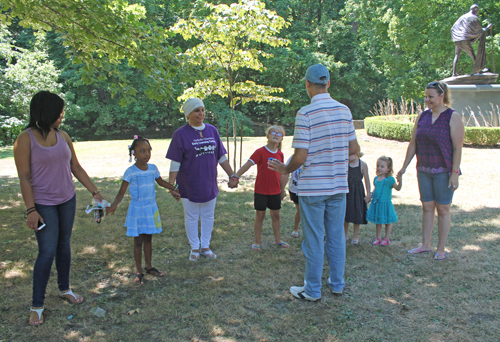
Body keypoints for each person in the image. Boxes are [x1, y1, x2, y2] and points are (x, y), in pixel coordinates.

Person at [269, 64, 360, 301]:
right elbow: (355, 149)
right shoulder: (344, 110)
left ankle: (312, 290)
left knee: (314, 239)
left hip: (312, 189)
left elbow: (300, 157)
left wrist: (284, 168)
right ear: (328, 83)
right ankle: (337, 284)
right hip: (339, 187)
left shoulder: (305, 113)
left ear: (307, 84)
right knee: (337, 237)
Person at [13, 91, 105, 325]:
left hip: (67, 199)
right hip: (43, 204)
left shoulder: (63, 135)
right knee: (46, 252)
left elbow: (75, 166)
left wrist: (94, 191)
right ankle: (37, 305)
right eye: (59, 111)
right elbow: (24, 177)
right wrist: (30, 209)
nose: (62, 115)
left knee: (63, 246)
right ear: (45, 112)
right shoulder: (25, 139)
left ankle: (65, 289)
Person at [397, 81, 465, 261]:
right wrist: (404, 167)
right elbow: (413, 143)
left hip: (444, 171)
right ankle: (425, 245)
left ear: (442, 96)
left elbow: (458, 148)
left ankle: (440, 248)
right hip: (424, 169)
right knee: (427, 207)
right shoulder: (423, 116)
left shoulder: (452, 116)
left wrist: (455, 173)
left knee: (443, 209)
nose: (427, 100)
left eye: (430, 97)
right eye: (425, 96)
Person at [166, 98, 237, 261]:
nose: (201, 113)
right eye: (197, 110)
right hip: (188, 184)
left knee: (208, 215)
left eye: (203, 110)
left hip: (208, 183)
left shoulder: (212, 131)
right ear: (188, 114)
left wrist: (232, 175)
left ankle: (205, 246)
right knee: (191, 216)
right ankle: (194, 248)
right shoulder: (180, 134)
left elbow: (221, 157)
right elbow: (175, 162)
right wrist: (171, 186)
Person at [107, 136, 179, 285]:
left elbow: (161, 182)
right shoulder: (130, 172)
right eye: (142, 151)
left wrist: (175, 188)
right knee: (138, 241)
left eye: (148, 151)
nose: (146, 154)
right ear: (134, 153)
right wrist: (114, 205)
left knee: (148, 238)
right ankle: (139, 270)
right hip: (137, 209)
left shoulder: (153, 168)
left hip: (150, 208)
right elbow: (121, 192)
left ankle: (149, 266)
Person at [229, 126, 288, 251]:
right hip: (261, 191)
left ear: (282, 138)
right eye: (273, 132)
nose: (276, 135)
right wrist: (236, 176)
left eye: (280, 134)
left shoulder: (280, 154)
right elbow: (248, 164)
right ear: (267, 136)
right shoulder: (260, 152)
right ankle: (257, 242)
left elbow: (282, 174)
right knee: (260, 215)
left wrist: (282, 190)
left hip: (275, 191)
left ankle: (278, 240)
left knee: (276, 215)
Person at [367, 156, 402, 246]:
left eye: (382, 166)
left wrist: (400, 182)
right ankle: (378, 237)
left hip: (385, 204)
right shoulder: (376, 179)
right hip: (377, 203)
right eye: (378, 166)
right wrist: (371, 194)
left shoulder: (390, 180)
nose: (379, 168)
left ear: (388, 168)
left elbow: (397, 188)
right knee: (378, 221)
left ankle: (386, 238)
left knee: (387, 222)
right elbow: (376, 189)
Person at [451, 4, 493, 76]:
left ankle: (454, 73)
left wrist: (456, 36)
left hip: (457, 39)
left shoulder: (462, 17)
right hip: (464, 39)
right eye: (478, 10)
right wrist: (488, 28)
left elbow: (452, 28)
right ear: (475, 9)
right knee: (472, 53)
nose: (478, 12)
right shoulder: (473, 17)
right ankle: (479, 70)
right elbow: (479, 30)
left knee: (457, 55)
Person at [344, 151, 371, 245]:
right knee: (345, 214)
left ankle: (355, 236)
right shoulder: (346, 164)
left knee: (357, 213)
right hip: (347, 193)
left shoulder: (363, 165)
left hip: (358, 193)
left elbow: (367, 180)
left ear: (356, 153)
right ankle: (345, 235)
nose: (347, 156)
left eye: (349, 154)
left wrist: (368, 194)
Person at [285, 156, 302, 238]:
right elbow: (286, 172)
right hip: (295, 190)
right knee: (300, 210)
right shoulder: (292, 158)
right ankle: (296, 228)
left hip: (309, 189)